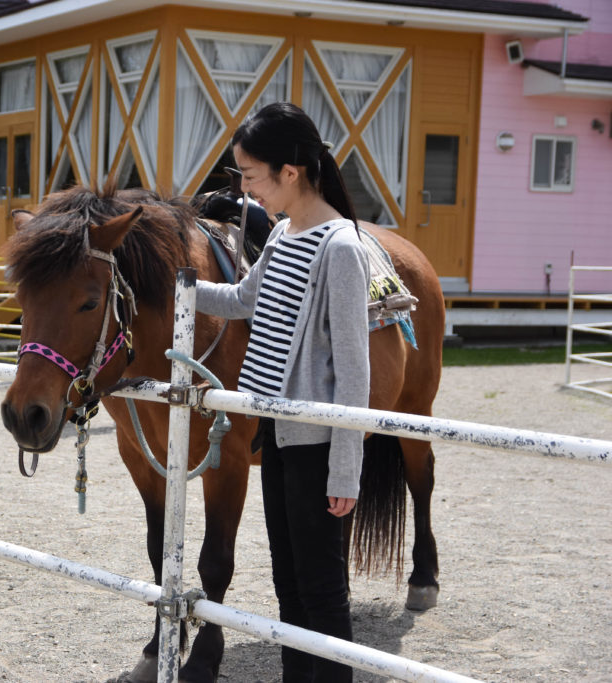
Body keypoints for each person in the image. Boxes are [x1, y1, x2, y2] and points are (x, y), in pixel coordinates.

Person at [195, 102, 370, 681]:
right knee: (287, 584)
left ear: (289, 172)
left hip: (318, 445)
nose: (245, 189)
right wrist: (179, 287)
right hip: (273, 431)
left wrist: (346, 468)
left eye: (249, 175)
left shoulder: (339, 247)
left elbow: (353, 369)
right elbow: (243, 300)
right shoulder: (283, 234)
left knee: (321, 589)